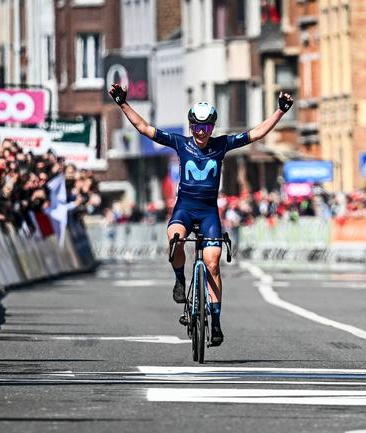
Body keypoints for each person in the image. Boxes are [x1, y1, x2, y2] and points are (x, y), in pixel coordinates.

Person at [109, 83, 293, 346]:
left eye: (206, 128)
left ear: (213, 128)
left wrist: (280, 111)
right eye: (196, 127)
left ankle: (215, 324)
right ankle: (179, 281)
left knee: (213, 263)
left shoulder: (222, 145)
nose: (200, 133)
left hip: (208, 211)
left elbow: (257, 133)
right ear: (190, 126)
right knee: (174, 240)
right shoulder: (180, 143)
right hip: (184, 207)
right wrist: (123, 104)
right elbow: (145, 128)